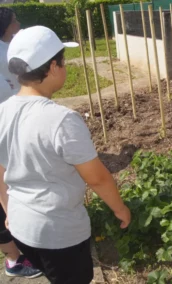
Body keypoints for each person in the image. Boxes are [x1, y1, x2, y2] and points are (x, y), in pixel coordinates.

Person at [0, 26, 131, 283]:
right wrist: (120, 209)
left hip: (21, 226)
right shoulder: (62, 120)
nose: (65, 67)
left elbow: (0, 170)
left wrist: (7, 208)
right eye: (63, 62)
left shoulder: (2, 111)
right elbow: (97, 179)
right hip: (58, 232)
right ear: (52, 68)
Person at [0, 8, 42, 279]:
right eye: (15, 20)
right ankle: (13, 259)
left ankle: (21, 241)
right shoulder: (5, 52)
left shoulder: (7, 48)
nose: (19, 22)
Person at [0, 7, 21, 95]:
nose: (18, 23)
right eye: (14, 21)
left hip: (23, 94)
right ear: (5, 25)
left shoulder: (20, 40)